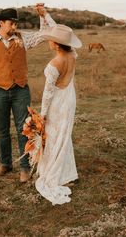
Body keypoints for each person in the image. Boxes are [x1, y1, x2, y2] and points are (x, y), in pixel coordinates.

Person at [0, 5, 55, 182]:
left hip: (20, 90)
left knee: (24, 129)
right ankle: (5, 164)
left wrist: (42, 16)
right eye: (11, 24)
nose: (14, 27)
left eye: (15, 24)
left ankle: (25, 167)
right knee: (1, 130)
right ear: (1, 23)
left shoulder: (22, 39)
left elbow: (43, 34)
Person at [35, 24, 82, 205]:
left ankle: (56, 172)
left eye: (51, 39)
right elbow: (64, 34)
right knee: (64, 135)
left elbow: (48, 93)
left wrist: (42, 114)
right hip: (69, 99)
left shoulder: (54, 64)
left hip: (57, 102)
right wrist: (45, 15)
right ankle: (68, 172)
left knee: (54, 136)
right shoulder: (72, 56)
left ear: (55, 44)